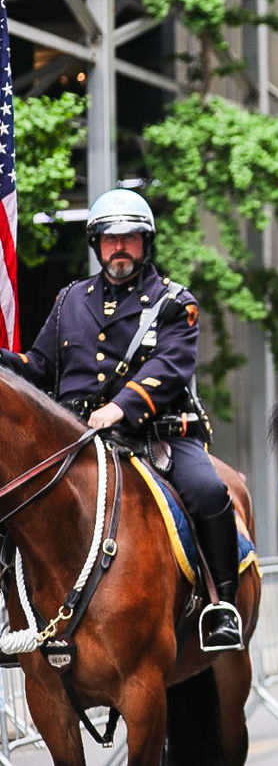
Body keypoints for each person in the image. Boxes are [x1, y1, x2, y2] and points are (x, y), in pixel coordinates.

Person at [0, 189, 244, 650]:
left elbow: (171, 366)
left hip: (156, 436)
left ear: (145, 243)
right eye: (110, 239)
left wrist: (122, 406)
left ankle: (222, 606)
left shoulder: (173, 301)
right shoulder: (71, 299)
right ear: (96, 245)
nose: (119, 248)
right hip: (76, 442)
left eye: (129, 238)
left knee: (210, 491)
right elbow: (39, 367)